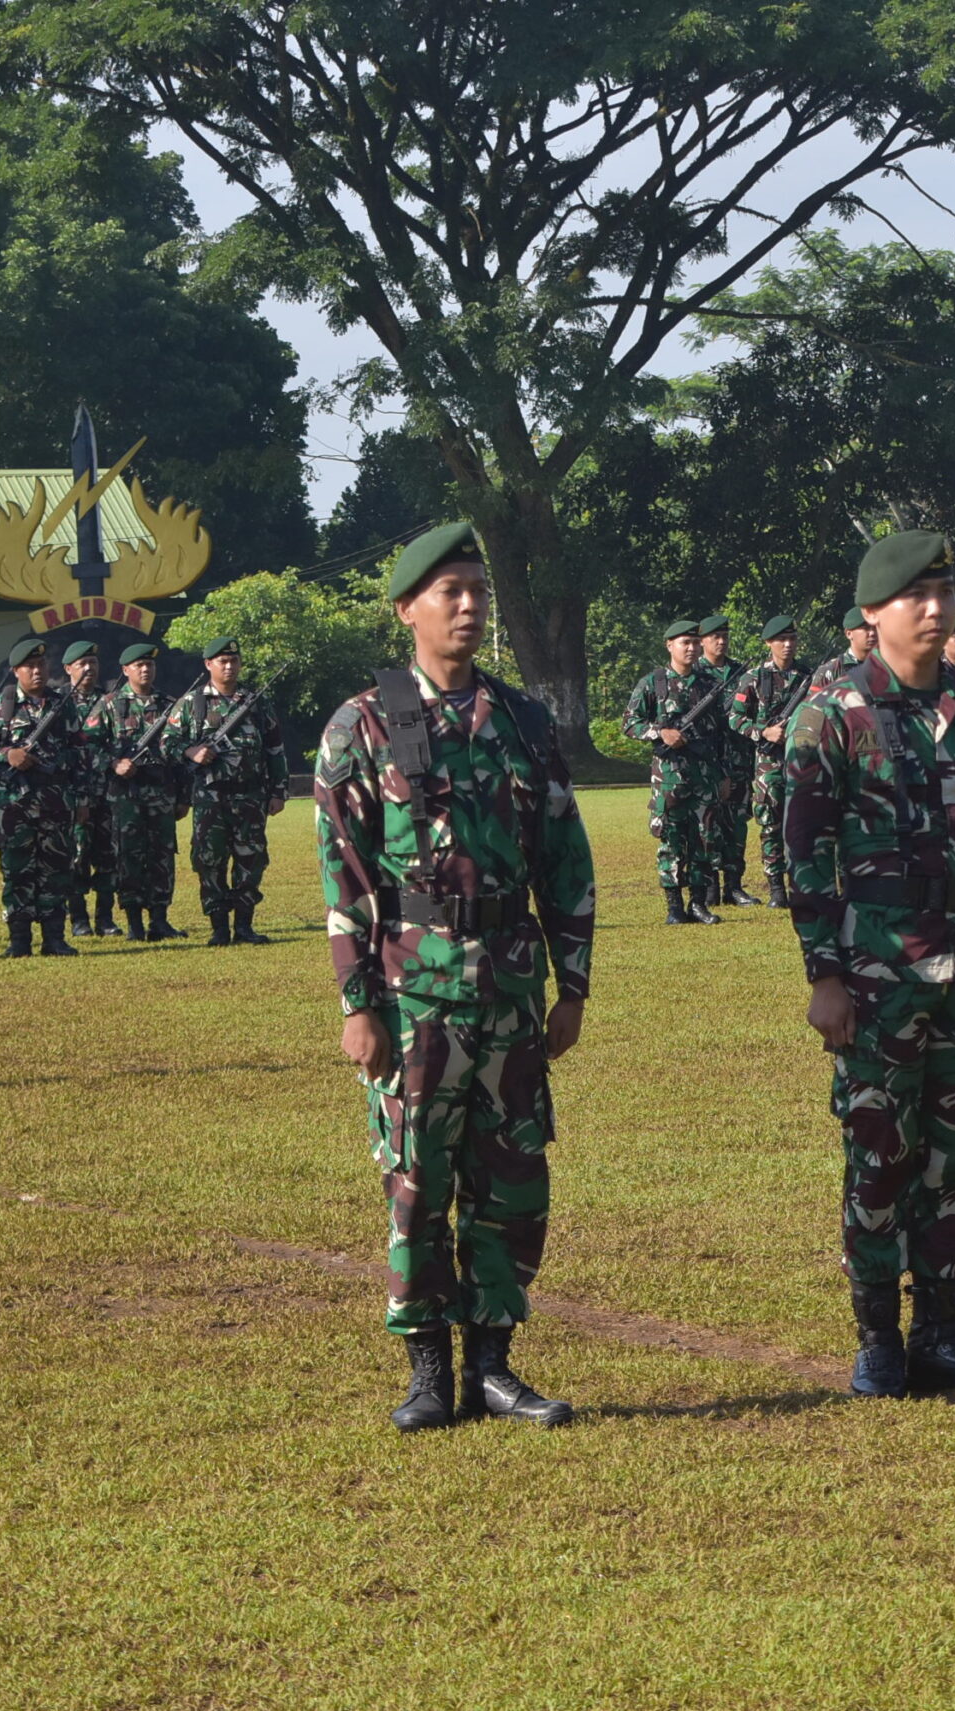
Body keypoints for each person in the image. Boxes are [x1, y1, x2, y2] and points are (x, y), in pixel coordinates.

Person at [314, 520, 595, 1432]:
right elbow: (346, 874)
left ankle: (497, 1366)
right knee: (418, 1180)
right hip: (414, 995)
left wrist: (573, 982)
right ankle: (429, 1368)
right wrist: (359, 1004)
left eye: (478, 591)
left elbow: (564, 854)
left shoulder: (521, 720)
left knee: (513, 1180)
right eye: (450, 593)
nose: (470, 607)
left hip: (510, 990)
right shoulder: (361, 726)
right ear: (408, 610)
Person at [785, 530, 955, 1398]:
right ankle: (878, 1337)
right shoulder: (831, 715)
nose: (935, 610)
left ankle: (942, 1330)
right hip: (875, 973)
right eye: (915, 597)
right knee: (881, 1151)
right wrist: (823, 973)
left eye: (946, 593)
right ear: (873, 614)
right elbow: (805, 857)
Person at [0, 637, 87, 957]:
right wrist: (7, 754)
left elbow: (80, 752)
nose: (37, 671)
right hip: (13, 804)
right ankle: (19, 939)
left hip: (55, 801)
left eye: (41, 665)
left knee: (55, 869)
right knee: (16, 869)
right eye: (30, 667)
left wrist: (82, 799)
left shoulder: (62, 705)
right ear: (16, 671)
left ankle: (55, 937)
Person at [168, 637, 288, 945]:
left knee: (251, 860)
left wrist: (278, 791)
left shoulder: (256, 701)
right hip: (210, 797)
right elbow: (166, 743)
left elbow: (275, 749)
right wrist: (190, 751)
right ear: (209, 665)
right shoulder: (192, 704)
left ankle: (244, 926)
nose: (229, 666)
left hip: (250, 795)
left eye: (234, 660)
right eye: (222, 661)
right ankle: (219, 927)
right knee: (210, 861)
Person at [621, 619, 722, 925]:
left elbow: (720, 733)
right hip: (669, 778)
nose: (691, 648)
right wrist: (660, 732)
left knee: (705, 839)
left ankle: (698, 904)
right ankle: (674, 906)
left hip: (704, 774)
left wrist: (724, 773)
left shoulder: (708, 685)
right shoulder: (653, 683)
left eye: (694, 643)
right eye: (684, 643)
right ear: (669, 646)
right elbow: (629, 723)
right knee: (672, 841)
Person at [89, 640, 187, 941]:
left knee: (162, 857)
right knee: (128, 858)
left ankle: (160, 919)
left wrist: (183, 796)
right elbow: (87, 747)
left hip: (161, 794)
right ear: (125, 670)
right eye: (139, 665)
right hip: (125, 796)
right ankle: (133, 922)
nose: (145, 669)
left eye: (150, 665)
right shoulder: (109, 704)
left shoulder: (170, 705)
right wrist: (114, 762)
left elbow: (181, 752)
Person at [727, 615, 808, 909]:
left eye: (792, 639)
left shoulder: (807, 676)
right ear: (769, 644)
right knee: (771, 825)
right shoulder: (753, 678)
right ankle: (776, 888)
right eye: (781, 640)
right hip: (768, 764)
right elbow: (735, 717)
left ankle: (801, 884)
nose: (787, 645)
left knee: (803, 824)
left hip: (802, 760)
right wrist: (763, 732)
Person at [693, 613, 757, 907]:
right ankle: (708, 887)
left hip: (738, 760)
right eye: (714, 637)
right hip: (705, 764)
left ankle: (733, 886)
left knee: (737, 824)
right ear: (703, 641)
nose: (721, 642)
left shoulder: (742, 672)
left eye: (724, 636)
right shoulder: (694, 674)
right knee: (707, 825)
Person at [61, 640, 123, 936]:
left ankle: (105, 918)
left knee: (108, 856)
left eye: (93, 664)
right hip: (71, 797)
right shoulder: (57, 703)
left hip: (107, 794)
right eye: (82, 664)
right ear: (68, 669)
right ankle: (78, 919)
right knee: (75, 857)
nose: (89, 669)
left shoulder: (111, 701)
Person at [808, 607, 877, 691]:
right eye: (865, 628)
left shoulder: (883, 669)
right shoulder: (832, 670)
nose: (873, 633)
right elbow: (813, 701)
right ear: (849, 634)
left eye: (875, 628)